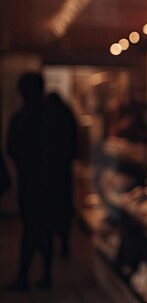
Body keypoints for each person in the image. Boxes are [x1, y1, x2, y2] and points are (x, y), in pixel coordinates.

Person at [7, 73, 54, 290]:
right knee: (42, 228)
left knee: (31, 228)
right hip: (46, 180)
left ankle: (25, 276)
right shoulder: (49, 117)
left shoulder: (21, 119)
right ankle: (44, 275)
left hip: (31, 180)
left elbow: (12, 149)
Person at [45, 92, 78, 257]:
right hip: (63, 171)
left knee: (51, 210)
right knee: (63, 209)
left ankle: (53, 243)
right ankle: (64, 243)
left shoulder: (46, 119)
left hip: (51, 172)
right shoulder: (66, 116)